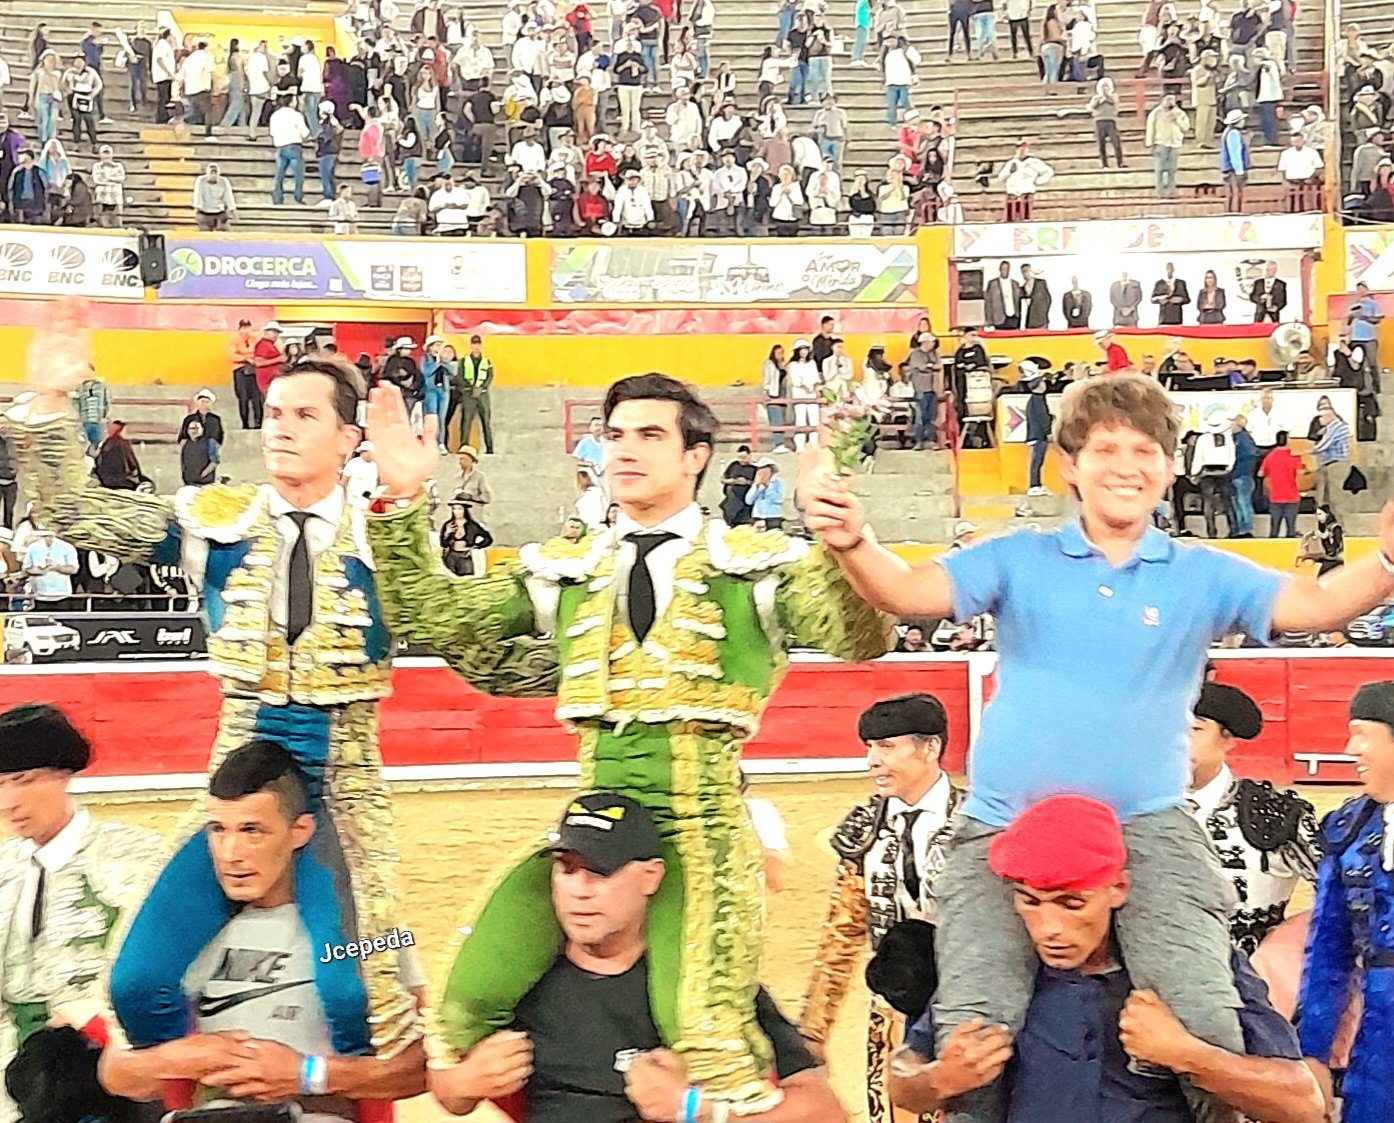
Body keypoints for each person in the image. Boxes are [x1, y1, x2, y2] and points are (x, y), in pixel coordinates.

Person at [798, 371, 1394, 1123]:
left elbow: (1316, 604)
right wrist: (854, 541)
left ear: (1169, 468)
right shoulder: (1017, 558)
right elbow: (906, 592)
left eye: (1144, 451)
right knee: (972, 1034)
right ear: (1068, 465)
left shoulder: (1201, 573)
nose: (1126, 466)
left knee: (1203, 1016)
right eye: (1105, 449)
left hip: (1145, 824)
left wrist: (1386, 563)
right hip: (1004, 825)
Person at [363, 372, 892, 1113]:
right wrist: (398, 501)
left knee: (706, 1030)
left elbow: (860, 636)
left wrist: (841, 539)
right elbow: (434, 615)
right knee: (464, 1005)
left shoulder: (750, 565)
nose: (625, 451)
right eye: (614, 435)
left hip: (701, 831)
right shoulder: (572, 569)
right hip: (591, 826)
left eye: (649, 434)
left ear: (695, 456)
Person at [8, 303, 420, 1063]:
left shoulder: (387, 538)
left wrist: (411, 502)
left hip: (344, 796)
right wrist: (49, 403)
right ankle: (199, 1098)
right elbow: (74, 513)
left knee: (363, 981)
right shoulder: (214, 523)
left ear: (348, 438)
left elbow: (457, 624)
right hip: (231, 792)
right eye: (274, 413)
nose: (281, 428)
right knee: (135, 980)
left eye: (304, 415)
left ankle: (333, 1100)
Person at [889, 794, 1325, 1123]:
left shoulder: (1192, 961)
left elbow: (1301, 1103)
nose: (1049, 928)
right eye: (1030, 902)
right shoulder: (996, 964)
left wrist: (1189, 1054)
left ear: (1118, 889)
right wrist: (940, 1078)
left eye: (1071, 904)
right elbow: (902, 1079)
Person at [429, 791, 846, 1122]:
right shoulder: (522, 982)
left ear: (650, 876)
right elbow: (449, 1091)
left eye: (600, 871)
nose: (580, 890)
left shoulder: (701, 987)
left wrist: (694, 1109)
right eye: (567, 869)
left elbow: (824, 1112)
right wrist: (465, 1080)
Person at [97, 741, 428, 1105]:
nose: (231, 854)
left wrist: (308, 1074)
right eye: (218, 830)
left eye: (252, 831)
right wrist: (175, 1058)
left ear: (300, 831)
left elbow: (423, 1069)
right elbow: (115, 1076)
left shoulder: (371, 931)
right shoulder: (183, 936)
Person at [800, 694, 961, 1123]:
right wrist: (814, 1029)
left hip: (964, 1008)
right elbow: (843, 930)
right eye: (870, 747)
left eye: (887, 747)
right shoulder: (864, 830)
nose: (873, 760)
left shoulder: (974, 824)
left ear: (930, 747)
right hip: (891, 1012)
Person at [0, 703, 154, 1123]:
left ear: (63, 774)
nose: (9, 802)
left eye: (24, 781)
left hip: (113, 1081)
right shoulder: (4, 871)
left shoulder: (134, 859)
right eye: (0, 785)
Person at [1299, 681, 1394, 1123]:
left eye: (1362, 734)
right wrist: (1312, 1052)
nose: (1349, 748)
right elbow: (1328, 949)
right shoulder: (1349, 829)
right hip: (1379, 1053)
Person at [1188, 682, 1317, 954]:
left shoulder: (1276, 814)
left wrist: (1285, 946)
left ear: (1228, 739)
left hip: (1251, 975)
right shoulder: (1129, 810)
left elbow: (1344, 900)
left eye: (1194, 729)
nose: (1177, 742)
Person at [1311, 399, 1351, 524]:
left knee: (1335, 497)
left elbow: (1324, 445)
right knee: (1325, 499)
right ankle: (1329, 525)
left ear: (1329, 415)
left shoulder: (1336, 426)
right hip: (1328, 465)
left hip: (1336, 464)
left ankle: (1342, 525)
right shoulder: (1331, 427)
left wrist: (1308, 451)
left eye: (1321, 417)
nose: (1320, 420)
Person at [1259, 431, 1300, 537]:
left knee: (1274, 529)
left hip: (1275, 495)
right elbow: (1300, 472)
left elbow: (1261, 473)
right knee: (1291, 529)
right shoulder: (1294, 457)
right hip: (1291, 495)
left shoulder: (1270, 457)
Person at [440, 499, 492, 576]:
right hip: (450, 556)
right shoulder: (449, 525)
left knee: (467, 577)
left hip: (465, 556)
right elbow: (443, 543)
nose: (457, 512)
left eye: (459, 509)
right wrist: (446, 533)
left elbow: (488, 538)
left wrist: (476, 546)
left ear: (464, 510)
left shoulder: (472, 526)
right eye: (454, 509)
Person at [1022, 362, 1051, 495]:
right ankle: (1034, 485)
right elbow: (1042, 417)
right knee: (1037, 462)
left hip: (1034, 435)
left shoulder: (1034, 399)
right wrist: (1048, 431)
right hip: (1039, 435)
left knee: (1036, 461)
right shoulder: (1038, 400)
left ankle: (1036, 484)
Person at [721, 444, 757, 526]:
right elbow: (723, 479)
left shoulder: (754, 467)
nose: (742, 460)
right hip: (731, 497)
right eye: (740, 457)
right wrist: (733, 481)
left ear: (749, 455)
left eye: (744, 457)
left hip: (745, 499)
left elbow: (758, 482)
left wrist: (746, 482)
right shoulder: (734, 465)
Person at [179, 416, 220, 487]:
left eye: (198, 428)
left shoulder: (210, 442)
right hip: (189, 483)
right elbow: (183, 463)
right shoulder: (185, 443)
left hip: (205, 484)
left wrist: (203, 474)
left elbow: (214, 461)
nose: (195, 431)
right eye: (192, 428)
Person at [746, 458, 786, 530]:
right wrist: (757, 488)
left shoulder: (778, 482)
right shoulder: (756, 484)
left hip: (773, 517)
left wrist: (768, 487)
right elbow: (748, 501)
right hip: (758, 516)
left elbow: (779, 499)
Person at [984, 260, 1023, 331]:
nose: (1005, 271)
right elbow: (988, 304)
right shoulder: (992, 284)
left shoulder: (1015, 284)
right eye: (1003, 269)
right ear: (1000, 269)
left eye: (1007, 269)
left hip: (1014, 318)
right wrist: (989, 322)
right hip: (999, 319)